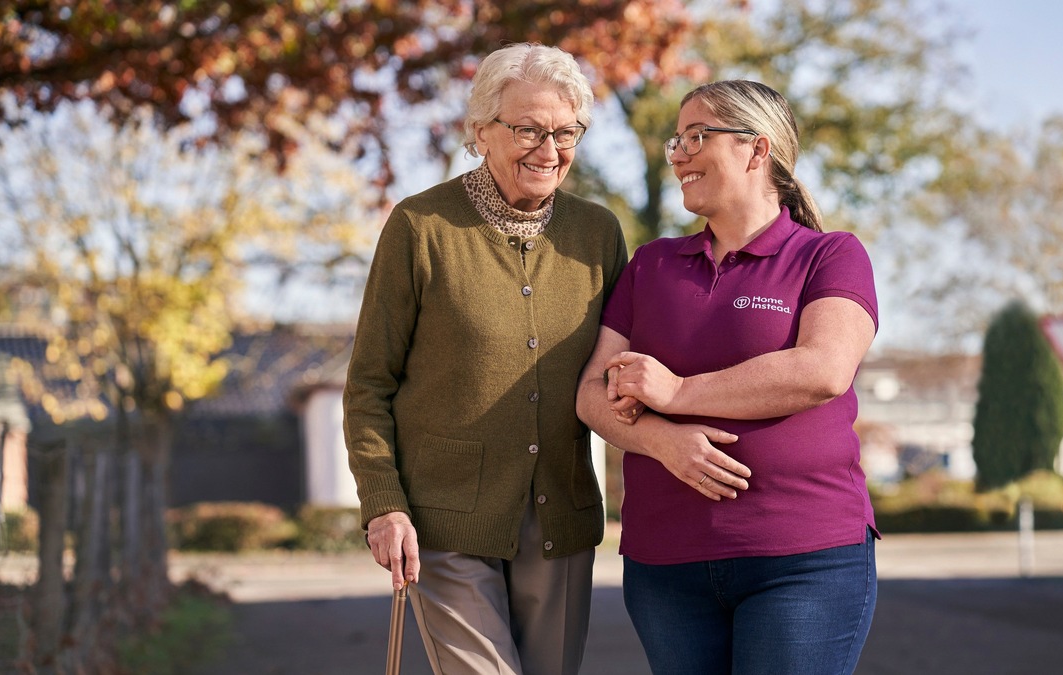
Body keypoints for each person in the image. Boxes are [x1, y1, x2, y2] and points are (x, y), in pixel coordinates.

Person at [577, 80, 879, 675]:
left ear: (757, 149)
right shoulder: (651, 265)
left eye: (697, 136)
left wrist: (679, 393)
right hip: (665, 565)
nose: (678, 154)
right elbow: (591, 393)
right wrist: (660, 440)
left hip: (802, 559)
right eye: (676, 140)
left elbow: (822, 370)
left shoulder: (829, 256)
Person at [343, 42, 627, 675]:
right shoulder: (421, 227)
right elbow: (369, 385)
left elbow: (621, 370)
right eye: (527, 129)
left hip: (561, 513)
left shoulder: (598, 233)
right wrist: (383, 502)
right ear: (480, 133)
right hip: (445, 520)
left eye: (565, 132)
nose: (548, 150)